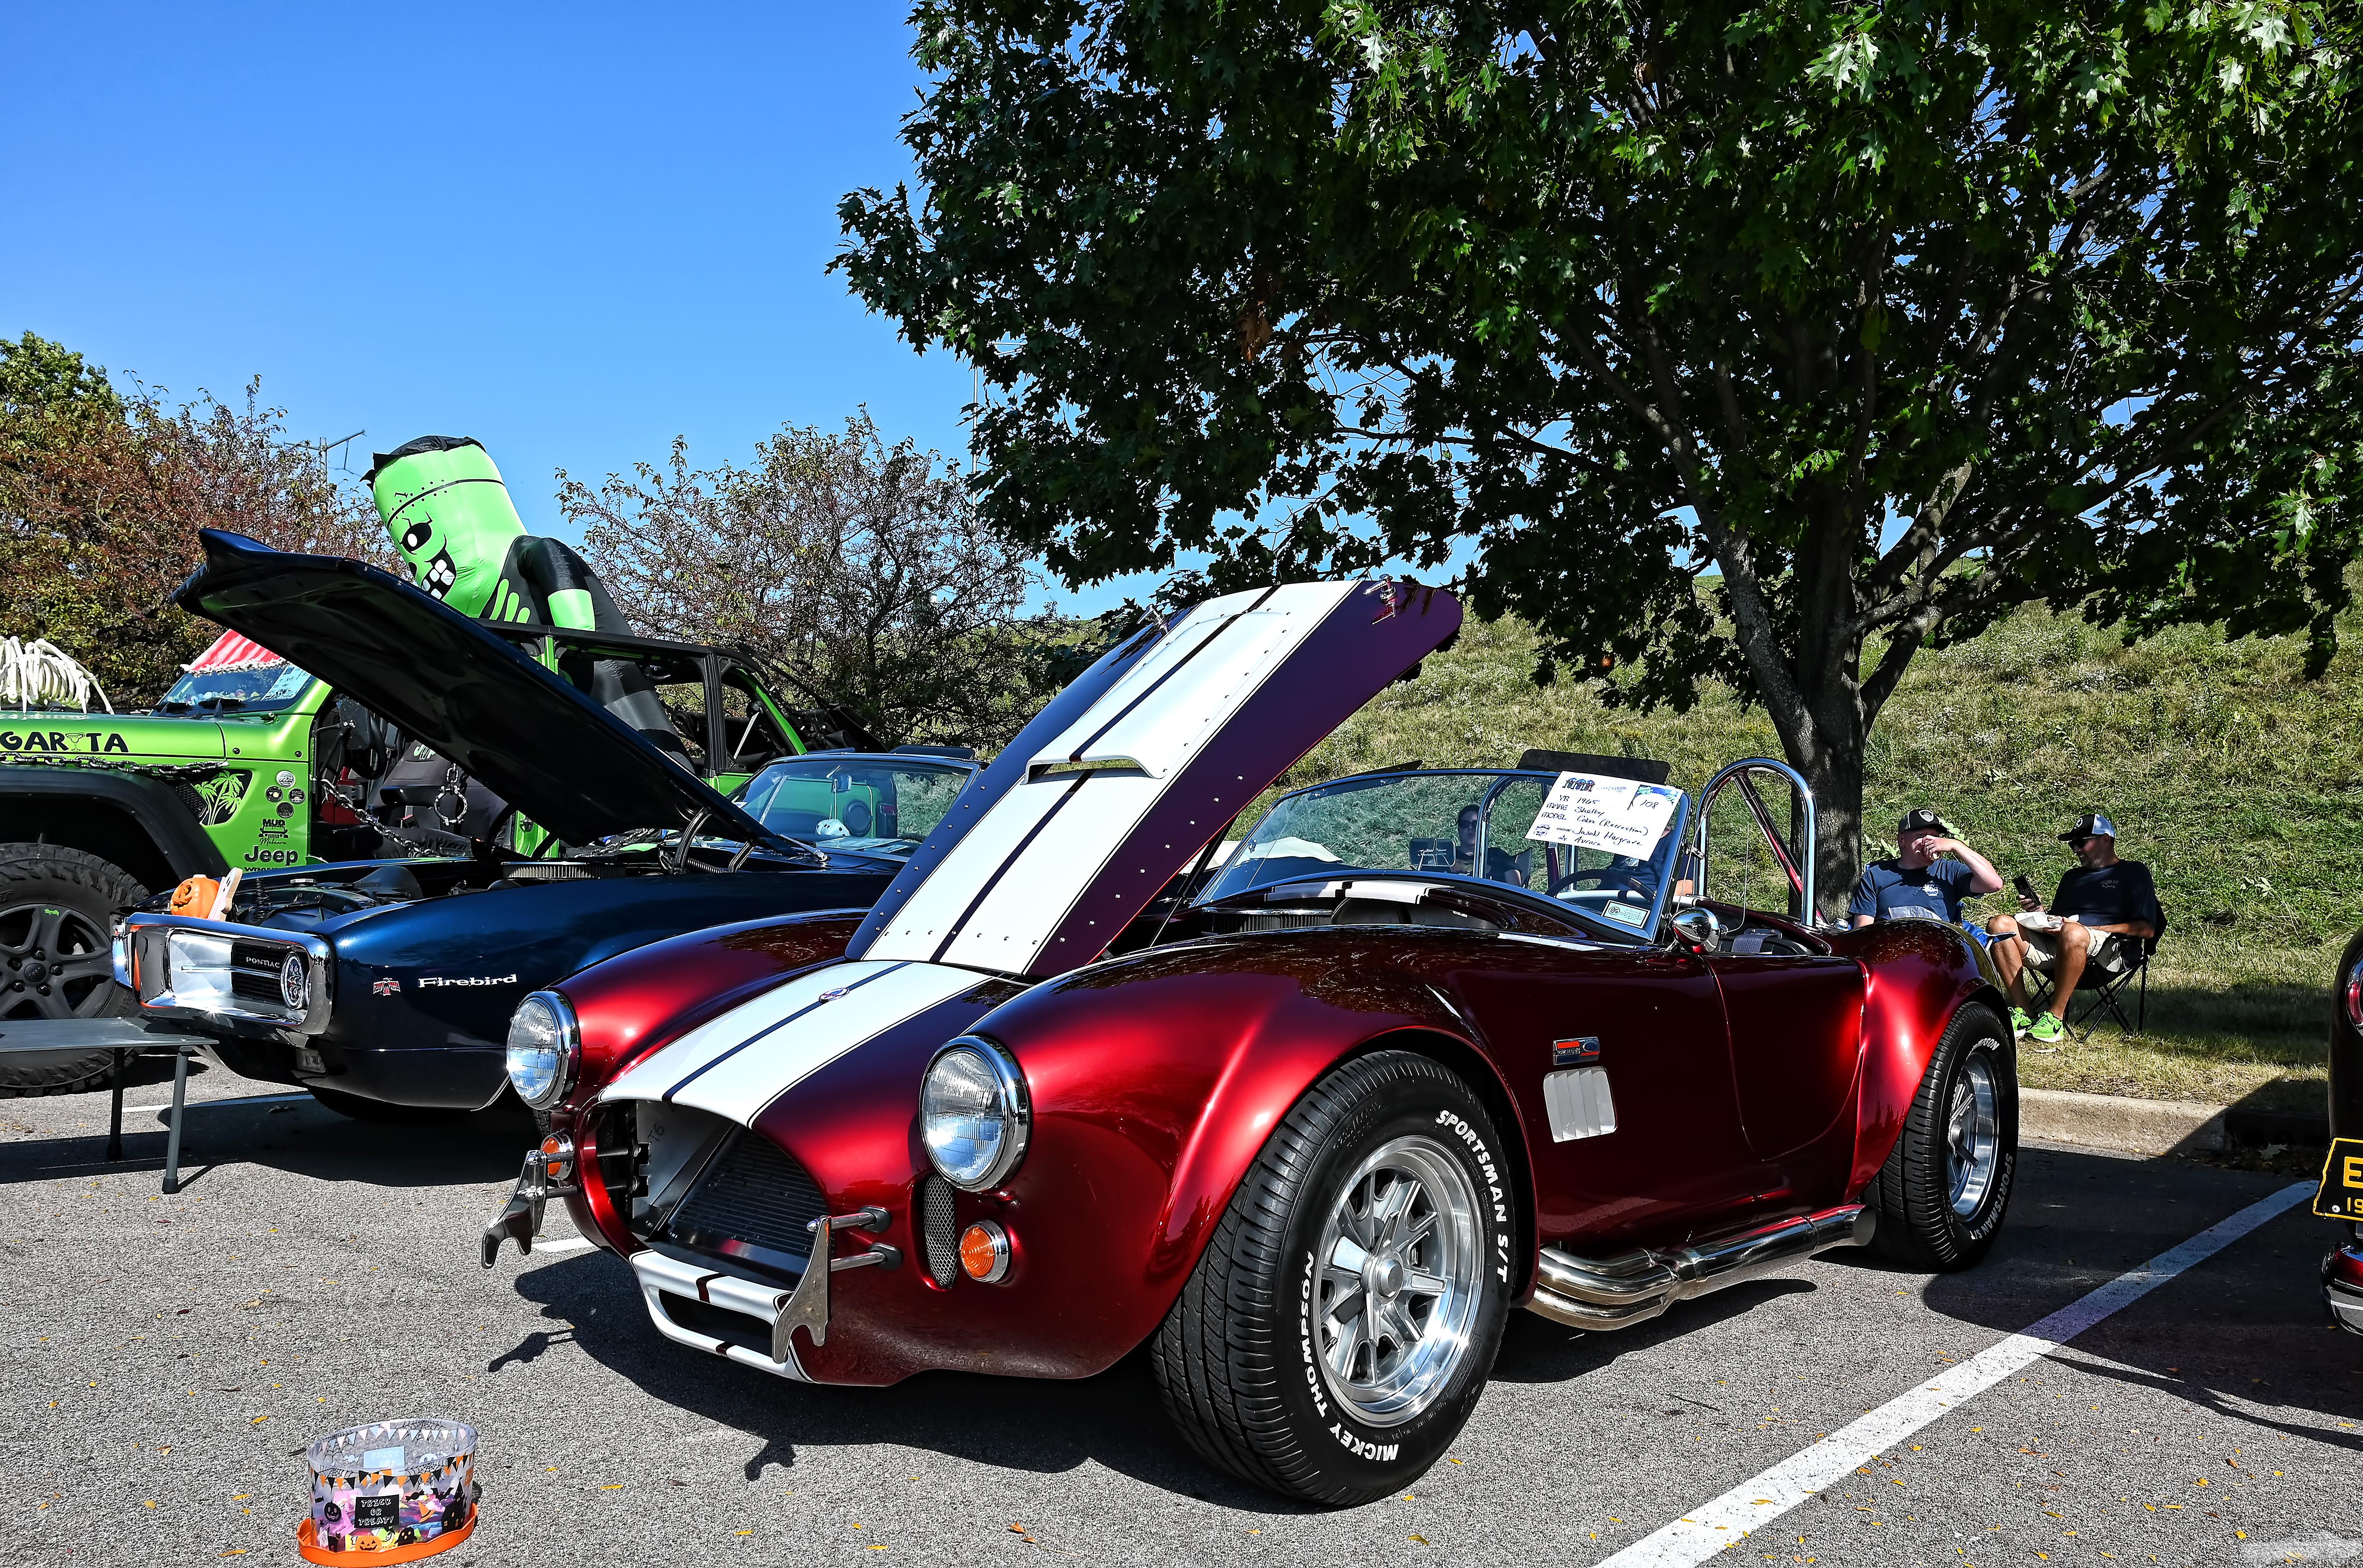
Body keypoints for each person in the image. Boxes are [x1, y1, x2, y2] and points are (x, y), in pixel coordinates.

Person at [1986, 812, 2159, 1047]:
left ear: (2106, 840)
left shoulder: (2133, 873)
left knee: (2073, 933)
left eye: (2082, 842)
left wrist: (2084, 928)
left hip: (2110, 952)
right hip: (2064, 947)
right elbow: (2059, 921)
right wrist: (2040, 915)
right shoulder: (2072, 878)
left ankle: (2055, 1018)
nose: (2076, 849)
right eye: (2072, 843)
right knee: (2000, 925)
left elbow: (2147, 929)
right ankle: (2023, 1013)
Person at [1848, 808, 2005, 940]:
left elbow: (1994, 883)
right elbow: (1863, 933)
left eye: (1935, 838)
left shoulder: (1949, 871)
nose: (1930, 843)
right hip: (1892, 955)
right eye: (1921, 837)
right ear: (1902, 840)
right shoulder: (1877, 875)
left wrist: (1957, 846)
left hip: (1940, 956)